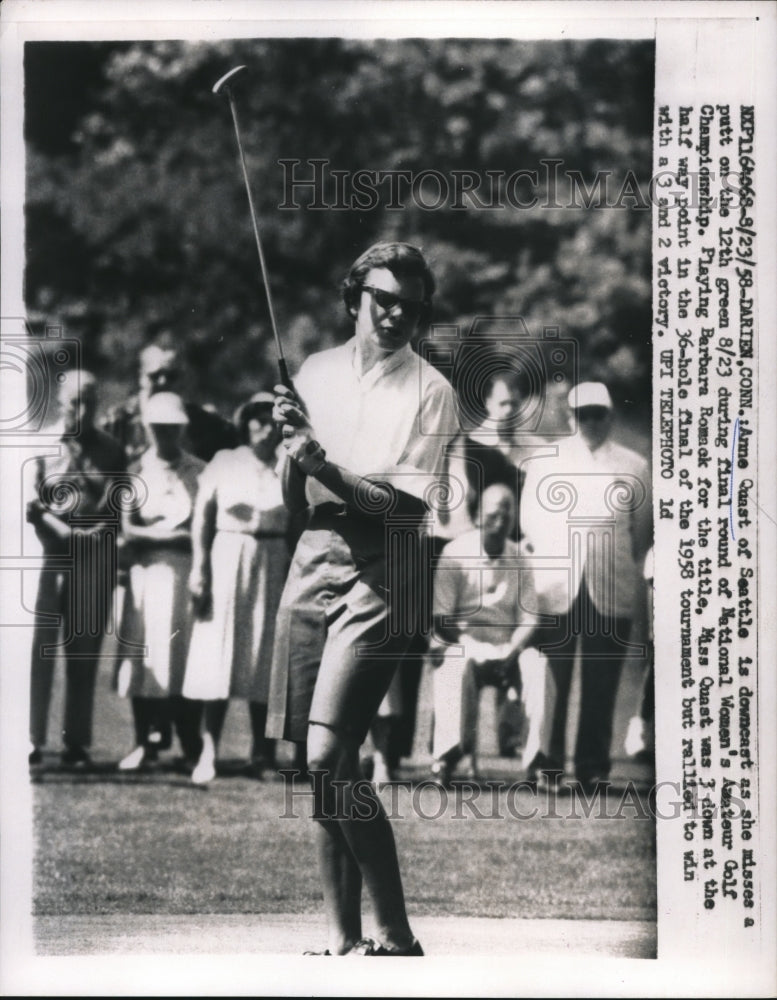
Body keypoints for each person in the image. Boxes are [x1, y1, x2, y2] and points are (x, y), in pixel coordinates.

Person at [268, 241, 458, 956]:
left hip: (388, 567)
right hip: (314, 556)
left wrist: (325, 464)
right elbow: (295, 500)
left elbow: (402, 511)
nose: (396, 314)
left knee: (326, 756)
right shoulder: (315, 372)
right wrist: (294, 450)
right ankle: (345, 942)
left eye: (410, 306)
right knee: (319, 767)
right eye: (382, 300)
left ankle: (397, 932)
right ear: (354, 300)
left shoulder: (432, 390)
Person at [520, 381, 652, 792]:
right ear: (569, 416)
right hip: (555, 585)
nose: (591, 421)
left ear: (610, 416)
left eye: (599, 413)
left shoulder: (634, 466)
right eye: (583, 414)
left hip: (609, 584)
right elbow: (529, 522)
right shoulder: (545, 461)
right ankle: (548, 763)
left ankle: (593, 767)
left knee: (601, 680)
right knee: (550, 681)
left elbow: (642, 533)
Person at [183, 393, 289, 785]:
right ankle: (209, 751)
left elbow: (298, 521)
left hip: (274, 558)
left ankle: (262, 754)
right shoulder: (225, 462)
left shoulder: (288, 464)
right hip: (228, 555)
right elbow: (202, 520)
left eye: (271, 420)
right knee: (220, 654)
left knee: (266, 659)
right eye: (256, 420)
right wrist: (199, 569)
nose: (264, 427)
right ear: (245, 424)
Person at [27, 370, 127, 767]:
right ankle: (32, 738)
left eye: (90, 401)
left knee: (83, 653)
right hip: (48, 554)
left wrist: (100, 532)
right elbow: (28, 506)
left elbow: (121, 509)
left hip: (94, 556)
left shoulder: (112, 450)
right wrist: (63, 534)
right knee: (38, 650)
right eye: (75, 401)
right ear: (60, 401)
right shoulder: (41, 446)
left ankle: (76, 742)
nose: (82, 410)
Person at [116, 392, 205, 771]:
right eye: (158, 428)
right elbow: (129, 530)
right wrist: (174, 535)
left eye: (172, 427)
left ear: (183, 427)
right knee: (143, 657)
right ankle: (143, 743)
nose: (165, 434)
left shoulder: (200, 471)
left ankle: (189, 745)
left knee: (186, 659)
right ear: (147, 429)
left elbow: (203, 528)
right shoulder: (135, 471)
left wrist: (178, 538)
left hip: (188, 573)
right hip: (147, 575)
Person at [429, 484, 540, 784]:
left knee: (536, 665)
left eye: (507, 512)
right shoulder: (454, 553)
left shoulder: (521, 559)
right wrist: (470, 647)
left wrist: (512, 651)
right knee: (454, 662)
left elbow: (529, 618)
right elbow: (441, 615)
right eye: (493, 512)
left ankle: (535, 763)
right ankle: (447, 757)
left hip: (507, 647)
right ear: (478, 516)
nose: (500, 518)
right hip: (463, 642)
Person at [102, 335, 239, 465]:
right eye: (154, 376)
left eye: (172, 376)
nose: (163, 382)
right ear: (141, 377)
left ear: (184, 379)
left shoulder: (207, 424)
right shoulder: (119, 423)